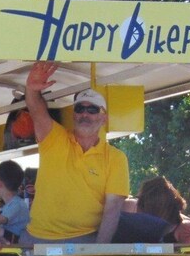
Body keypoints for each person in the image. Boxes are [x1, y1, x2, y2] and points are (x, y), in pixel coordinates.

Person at [20, 61, 129, 244]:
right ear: (74, 114)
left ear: (104, 118)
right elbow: (37, 111)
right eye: (80, 108)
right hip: (36, 239)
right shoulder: (54, 137)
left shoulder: (116, 158)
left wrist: (98, 252)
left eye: (92, 109)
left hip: (83, 240)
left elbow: (113, 209)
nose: (85, 114)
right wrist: (31, 90)